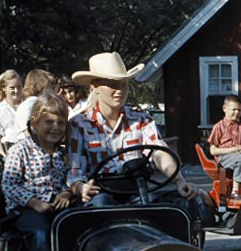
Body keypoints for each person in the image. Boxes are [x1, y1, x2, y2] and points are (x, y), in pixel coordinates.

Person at [66, 52, 206, 218]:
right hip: (101, 193)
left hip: (137, 190)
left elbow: (159, 152)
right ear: (95, 87)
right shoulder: (79, 124)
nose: (119, 90)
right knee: (102, 206)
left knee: (178, 207)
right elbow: (75, 171)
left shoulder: (141, 119)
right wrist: (81, 187)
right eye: (112, 84)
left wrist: (179, 180)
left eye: (124, 84)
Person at [1, 91, 76, 251]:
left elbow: (68, 179)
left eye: (61, 123)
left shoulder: (63, 153)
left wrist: (66, 192)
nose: (55, 127)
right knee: (41, 234)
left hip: (56, 206)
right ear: (34, 123)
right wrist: (35, 203)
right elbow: (9, 185)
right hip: (26, 209)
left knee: (78, 226)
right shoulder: (20, 150)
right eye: (49, 122)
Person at [208, 94, 241, 199]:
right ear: (224, 108)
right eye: (234, 110)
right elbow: (213, 150)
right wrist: (233, 150)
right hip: (224, 158)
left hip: (240, 155)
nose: (237, 113)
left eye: (239, 110)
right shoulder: (219, 126)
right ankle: (235, 192)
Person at [12, 69, 56, 144]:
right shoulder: (29, 105)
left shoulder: (41, 103)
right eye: (49, 87)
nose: (52, 91)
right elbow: (27, 132)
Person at [0, 69, 23, 157]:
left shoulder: (29, 107)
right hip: (10, 150)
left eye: (19, 87)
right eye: (12, 88)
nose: (16, 91)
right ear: (4, 88)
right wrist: (4, 155)